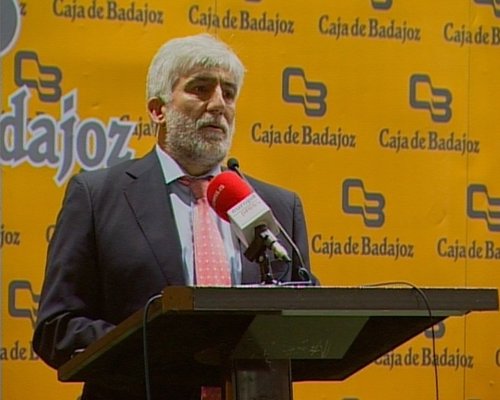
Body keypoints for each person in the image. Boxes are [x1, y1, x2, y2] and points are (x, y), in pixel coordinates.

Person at [33, 33, 314, 400]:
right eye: (200, 89)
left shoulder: (277, 206)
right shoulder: (97, 197)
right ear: (158, 109)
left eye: (229, 93)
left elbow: (308, 319)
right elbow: (57, 328)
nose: (218, 104)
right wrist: (163, 352)